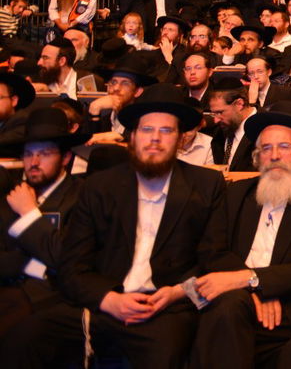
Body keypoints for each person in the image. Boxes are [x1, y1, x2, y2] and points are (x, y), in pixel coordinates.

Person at [57, 83, 228, 369]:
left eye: (166, 131)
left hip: (166, 305)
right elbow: (72, 265)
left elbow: (213, 260)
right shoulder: (99, 186)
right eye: (147, 130)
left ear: (180, 139)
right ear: (133, 137)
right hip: (102, 301)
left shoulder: (207, 186)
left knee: (163, 352)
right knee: (29, 334)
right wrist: (108, 299)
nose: (155, 139)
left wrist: (179, 291)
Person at [189, 101, 291, 369]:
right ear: (256, 156)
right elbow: (213, 250)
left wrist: (253, 281)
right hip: (238, 297)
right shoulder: (235, 194)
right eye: (266, 148)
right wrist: (254, 289)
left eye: (284, 147)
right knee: (221, 309)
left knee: (221, 315)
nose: (274, 156)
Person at [0, 107, 86, 368]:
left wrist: (28, 214)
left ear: (65, 157)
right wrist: (29, 259)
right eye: (28, 154)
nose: (34, 162)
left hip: (54, 299)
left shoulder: (82, 197)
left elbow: (67, 259)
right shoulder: (11, 196)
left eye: (44, 153)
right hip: (9, 290)